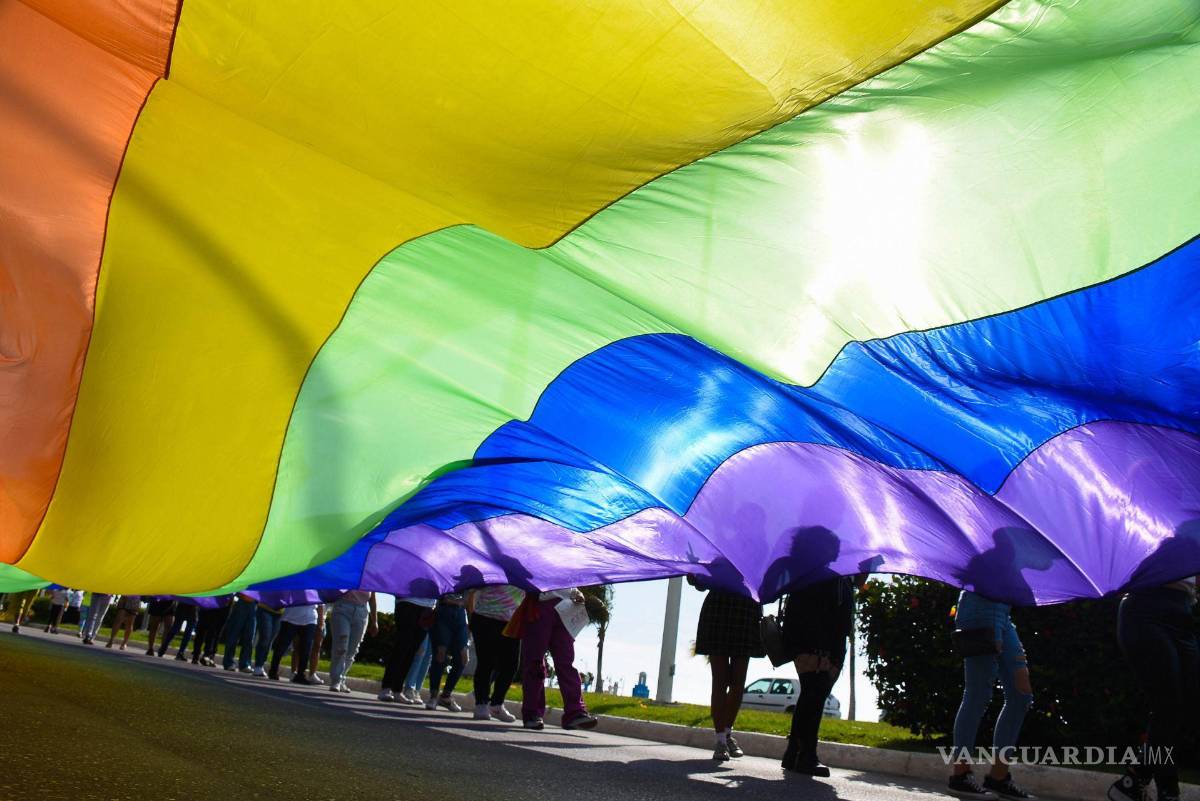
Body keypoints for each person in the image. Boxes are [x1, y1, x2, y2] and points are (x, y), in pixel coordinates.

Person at [1107, 577, 1198, 801]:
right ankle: (1168, 791)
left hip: (1182, 613)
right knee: (1167, 706)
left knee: (1190, 702)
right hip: (1145, 610)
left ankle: (1133, 780)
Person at [946, 590, 1035, 800]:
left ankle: (998, 777)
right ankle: (960, 776)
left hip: (1003, 613)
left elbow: (1038, 566)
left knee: (1021, 695)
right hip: (979, 609)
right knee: (977, 695)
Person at [779, 577, 854, 777]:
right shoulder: (814, 561)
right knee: (815, 689)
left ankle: (795, 751)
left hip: (831, 633)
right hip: (813, 631)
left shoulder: (842, 564)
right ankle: (805, 755)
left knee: (815, 691)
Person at [691, 578, 764, 761]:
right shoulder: (716, 551)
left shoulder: (754, 551)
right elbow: (698, 581)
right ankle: (721, 740)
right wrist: (695, 572)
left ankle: (727, 733)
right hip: (719, 610)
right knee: (721, 680)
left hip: (745, 611)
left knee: (738, 682)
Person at [509, 588, 598, 731]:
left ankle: (574, 713)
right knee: (535, 662)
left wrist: (576, 592)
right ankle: (532, 713)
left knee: (566, 662)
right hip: (539, 603)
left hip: (566, 606)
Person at [468, 584, 524, 721]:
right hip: (485, 617)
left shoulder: (525, 571)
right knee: (486, 662)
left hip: (511, 622)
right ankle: (481, 704)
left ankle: (497, 705)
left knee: (511, 665)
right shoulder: (493, 565)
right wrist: (471, 614)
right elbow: (473, 589)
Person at [378, 597, 437, 703]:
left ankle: (397, 690)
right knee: (402, 647)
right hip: (407, 603)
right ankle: (386, 687)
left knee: (412, 651)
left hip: (427, 607)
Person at [426, 593, 470, 712]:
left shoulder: (467, 578)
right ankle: (434, 695)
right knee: (440, 654)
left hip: (461, 616)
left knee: (463, 657)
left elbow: (469, 598)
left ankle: (446, 696)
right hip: (443, 613)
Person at [328, 591, 378, 693]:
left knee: (353, 649)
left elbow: (372, 599)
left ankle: (342, 679)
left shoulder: (370, 577)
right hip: (343, 607)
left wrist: (375, 621)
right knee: (341, 645)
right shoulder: (346, 573)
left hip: (361, 612)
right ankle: (336, 680)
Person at [269, 602, 319, 684]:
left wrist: (320, 622)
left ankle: (300, 675)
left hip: (310, 618)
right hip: (290, 617)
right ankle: (273, 670)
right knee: (282, 646)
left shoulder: (316, 589)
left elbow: (321, 601)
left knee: (306, 648)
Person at [222, 593, 258, 673]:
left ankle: (244, 664)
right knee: (233, 635)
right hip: (241, 603)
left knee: (249, 637)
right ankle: (228, 663)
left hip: (253, 605)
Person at [191, 598, 231, 666]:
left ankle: (209, 656)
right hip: (211, 600)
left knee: (215, 631)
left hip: (223, 603)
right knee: (205, 629)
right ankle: (200, 655)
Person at [251, 598, 284, 677]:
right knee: (265, 637)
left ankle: (261, 664)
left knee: (269, 640)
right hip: (264, 608)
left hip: (279, 613)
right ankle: (258, 666)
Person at [401, 633, 433, 705]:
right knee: (421, 651)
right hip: (426, 623)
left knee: (427, 657)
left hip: (438, 624)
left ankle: (417, 690)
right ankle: (409, 688)